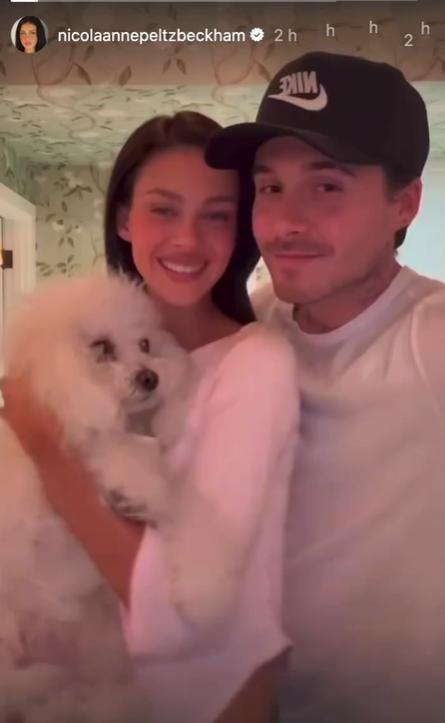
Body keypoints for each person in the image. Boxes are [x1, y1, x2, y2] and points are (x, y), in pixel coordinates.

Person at [0, 111, 300, 723]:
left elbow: (180, 616)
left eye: (216, 215)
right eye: (164, 209)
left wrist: (47, 446)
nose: (187, 239)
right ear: (123, 218)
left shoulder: (256, 364)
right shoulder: (81, 344)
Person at [205, 51, 445, 721]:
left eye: (327, 186)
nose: (285, 223)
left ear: (403, 202)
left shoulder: (430, 334)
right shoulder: (251, 324)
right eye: (270, 188)